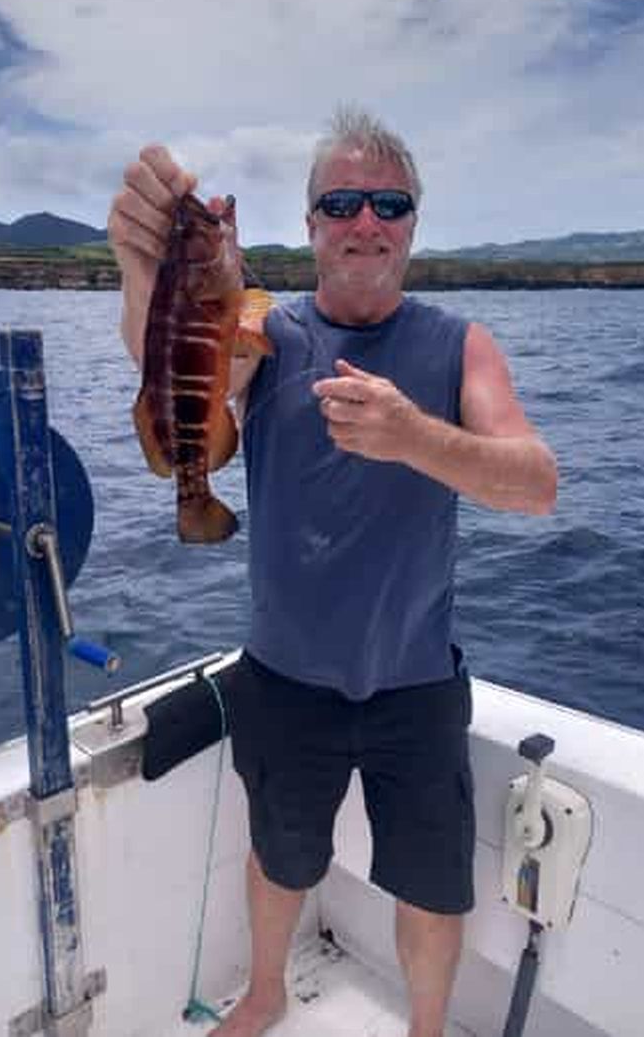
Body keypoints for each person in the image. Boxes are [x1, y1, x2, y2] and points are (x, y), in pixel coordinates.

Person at [109, 109, 557, 1037]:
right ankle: (268, 992)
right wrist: (140, 270)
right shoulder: (262, 328)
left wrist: (415, 436)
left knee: (433, 887)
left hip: (418, 681)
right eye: (341, 202)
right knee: (279, 858)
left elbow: (536, 484)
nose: (365, 220)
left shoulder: (459, 345)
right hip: (284, 674)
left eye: (387, 203)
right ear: (311, 224)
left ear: (411, 226)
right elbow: (175, 375)